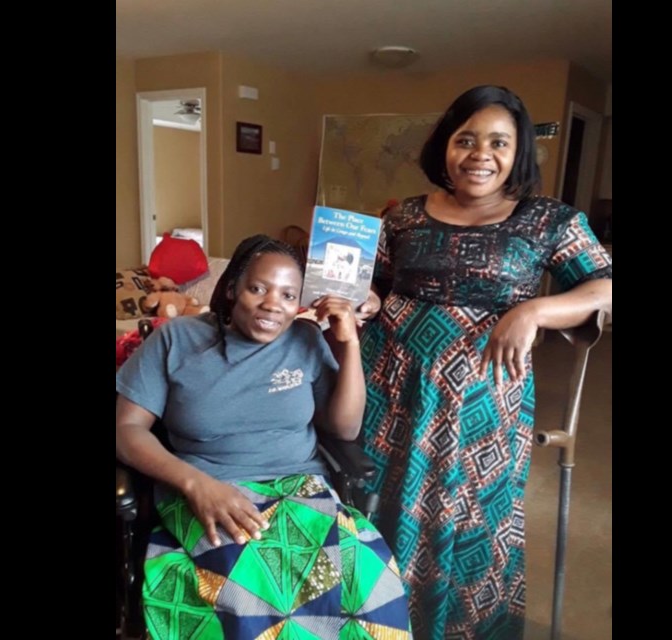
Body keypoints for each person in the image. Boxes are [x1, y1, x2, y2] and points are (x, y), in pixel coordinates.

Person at [356, 85, 613, 639]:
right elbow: (371, 288)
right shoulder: (400, 217)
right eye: (466, 139)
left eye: (499, 142)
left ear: (518, 153)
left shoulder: (550, 221)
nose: (480, 154)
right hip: (392, 390)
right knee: (380, 506)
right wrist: (366, 301)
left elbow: (605, 286)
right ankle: (376, 625)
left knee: (470, 518)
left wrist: (536, 310)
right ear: (445, 147)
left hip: (484, 406)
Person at [116, 235, 412, 640]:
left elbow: (345, 429)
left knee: (370, 576)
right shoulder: (177, 339)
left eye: (289, 295)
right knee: (252, 589)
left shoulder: (305, 341)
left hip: (302, 490)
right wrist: (195, 483)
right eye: (258, 288)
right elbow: (126, 430)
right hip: (209, 490)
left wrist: (349, 345)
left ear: (300, 304)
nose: (273, 304)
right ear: (234, 285)